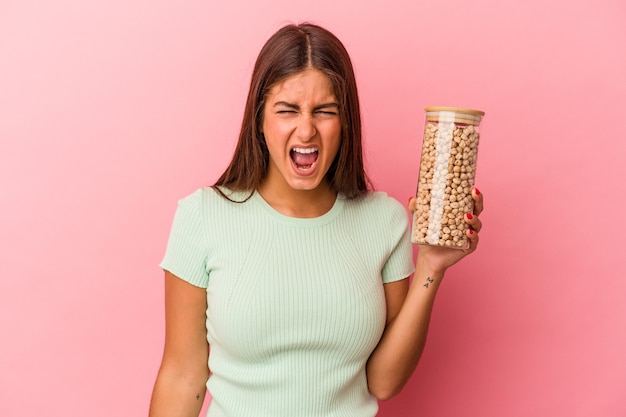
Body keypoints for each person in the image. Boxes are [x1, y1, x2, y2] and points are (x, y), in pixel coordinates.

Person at [149, 22, 483, 417]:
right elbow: (183, 376)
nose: (306, 129)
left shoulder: (383, 221)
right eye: (287, 110)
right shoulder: (203, 216)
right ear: (259, 119)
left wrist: (431, 266)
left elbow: (383, 381)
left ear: (345, 123)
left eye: (324, 112)